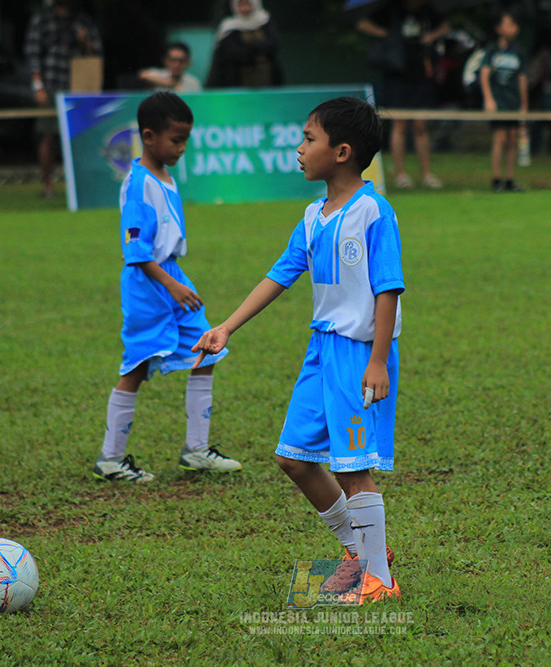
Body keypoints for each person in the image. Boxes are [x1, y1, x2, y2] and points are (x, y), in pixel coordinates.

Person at [192, 97, 403, 603]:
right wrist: (227, 327)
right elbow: (279, 275)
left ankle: (380, 582)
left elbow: (388, 290)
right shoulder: (312, 216)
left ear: (343, 152)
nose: (300, 148)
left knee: (353, 469)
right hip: (321, 352)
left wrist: (377, 361)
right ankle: (360, 551)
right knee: (294, 458)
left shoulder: (374, 211)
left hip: (357, 354)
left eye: (310, 139)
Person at [93, 91, 242, 483]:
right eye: (176, 140)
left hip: (173, 277)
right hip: (149, 283)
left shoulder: (166, 177)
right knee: (138, 365)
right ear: (148, 136)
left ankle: (196, 450)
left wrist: (177, 282)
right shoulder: (138, 183)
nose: (181, 148)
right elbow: (136, 250)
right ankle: (110, 459)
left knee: (206, 352)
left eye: (185, 140)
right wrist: (172, 286)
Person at [357, 0, 449, 189]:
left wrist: (431, 36)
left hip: (421, 76)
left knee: (421, 125)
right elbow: (362, 24)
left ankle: (426, 174)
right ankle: (401, 174)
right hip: (396, 76)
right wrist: (387, 35)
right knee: (399, 125)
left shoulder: (427, 10)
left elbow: (446, 26)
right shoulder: (390, 9)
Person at [24, 0, 103, 199]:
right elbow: (32, 53)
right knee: (47, 134)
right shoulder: (41, 19)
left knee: (81, 136)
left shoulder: (83, 19)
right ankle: (48, 186)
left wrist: (84, 40)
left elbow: (97, 52)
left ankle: (81, 185)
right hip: (50, 83)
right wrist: (38, 85)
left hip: (78, 84)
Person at [480, 10, 528, 193]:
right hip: (498, 101)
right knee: (499, 138)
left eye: (515, 25)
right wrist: (489, 100)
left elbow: (522, 80)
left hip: (513, 101)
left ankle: (509, 180)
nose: (514, 29)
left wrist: (524, 105)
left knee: (512, 139)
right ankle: (496, 180)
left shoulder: (519, 51)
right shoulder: (492, 50)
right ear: (499, 28)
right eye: (509, 24)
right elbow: (484, 76)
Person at [206, 0, 283, 88]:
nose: (245, 9)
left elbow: (273, 43)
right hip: (236, 80)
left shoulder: (266, 21)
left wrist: (252, 49)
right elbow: (232, 52)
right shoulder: (228, 26)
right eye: (241, 5)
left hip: (267, 77)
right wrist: (255, 50)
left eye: (248, 4)